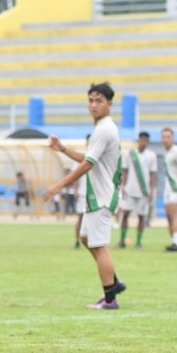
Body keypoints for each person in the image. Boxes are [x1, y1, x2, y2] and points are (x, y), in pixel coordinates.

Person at [43, 83, 126, 309]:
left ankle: (110, 298)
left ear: (109, 104)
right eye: (91, 100)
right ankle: (114, 284)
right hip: (95, 196)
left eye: (99, 101)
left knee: (100, 246)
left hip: (101, 196)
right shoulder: (101, 128)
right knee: (86, 239)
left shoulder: (104, 129)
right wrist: (62, 149)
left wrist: (59, 185)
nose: (93, 105)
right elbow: (88, 157)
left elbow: (89, 164)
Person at [118, 131, 158, 249]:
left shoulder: (152, 155)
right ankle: (122, 241)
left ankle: (139, 242)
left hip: (143, 191)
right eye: (141, 139)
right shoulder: (130, 154)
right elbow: (124, 171)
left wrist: (151, 190)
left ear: (148, 141)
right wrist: (123, 187)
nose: (143, 142)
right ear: (138, 140)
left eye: (145, 140)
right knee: (125, 215)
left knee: (141, 217)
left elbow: (153, 174)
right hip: (130, 190)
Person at [161, 128, 177, 252]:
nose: (166, 140)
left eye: (168, 137)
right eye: (164, 137)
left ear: (173, 138)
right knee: (168, 215)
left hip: (175, 188)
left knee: (175, 213)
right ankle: (173, 241)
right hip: (167, 189)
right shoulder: (167, 153)